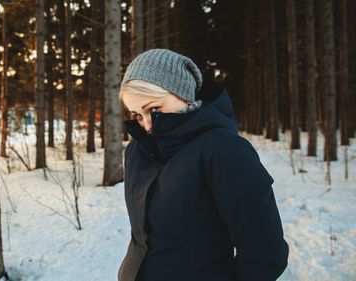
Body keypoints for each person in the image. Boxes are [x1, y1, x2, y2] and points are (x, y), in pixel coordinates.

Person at [118, 48, 289, 281]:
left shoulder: (225, 151)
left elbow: (266, 253)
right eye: (137, 115)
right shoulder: (137, 150)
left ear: (183, 93)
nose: (146, 125)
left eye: (154, 109)